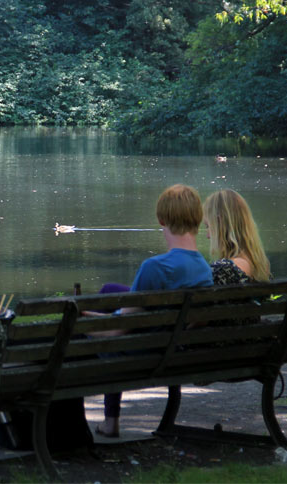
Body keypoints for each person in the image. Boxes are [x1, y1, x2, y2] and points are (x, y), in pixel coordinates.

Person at [89, 184, 213, 438]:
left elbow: (118, 331)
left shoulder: (154, 267)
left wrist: (84, 320)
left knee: (76, 337)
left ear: (161, 219)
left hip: (143, 352)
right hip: (170, 346)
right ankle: (110, 420)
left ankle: (110, 421)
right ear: (198, 220)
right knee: (110, 290)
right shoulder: (204, 270)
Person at [203, 189, 271, 284]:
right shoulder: (262, 266)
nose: (208, 236)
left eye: (208, 226)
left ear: (220, 222)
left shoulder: (224, 269)